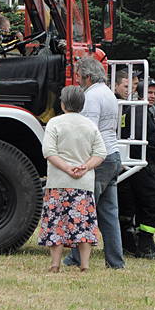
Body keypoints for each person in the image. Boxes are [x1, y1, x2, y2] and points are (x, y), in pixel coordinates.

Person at [63, 57, 125, 269]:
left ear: (88, 77)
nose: (77, 80)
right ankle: (115, 261)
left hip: (99, 159)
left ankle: (76, 257)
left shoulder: (90, 97)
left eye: (79, 76)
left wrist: (83, 161)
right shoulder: (108, 93)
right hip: (113, 155)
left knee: (84, 209)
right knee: (109, 214)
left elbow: (89, 131)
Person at [39, 85, 107, 272]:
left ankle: (55, 264)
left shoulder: (54, 123)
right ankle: (84, 265)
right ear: (82, 104)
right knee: (83, 225)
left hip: (58, 182)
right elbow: (101, 153)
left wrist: (66, 168)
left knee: (57, 224)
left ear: (62, 103)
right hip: (83, 184)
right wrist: (86, 166)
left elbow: (49, 151)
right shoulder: (90, 125)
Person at [116, 73, 155, 259]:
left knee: (130, 204)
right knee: (152, 202)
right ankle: (145, 244)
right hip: (142, 163)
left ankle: (131, 243)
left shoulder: (129, 109)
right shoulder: (139, 111)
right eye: (149, 92)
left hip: (131, 163)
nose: (153, 96)